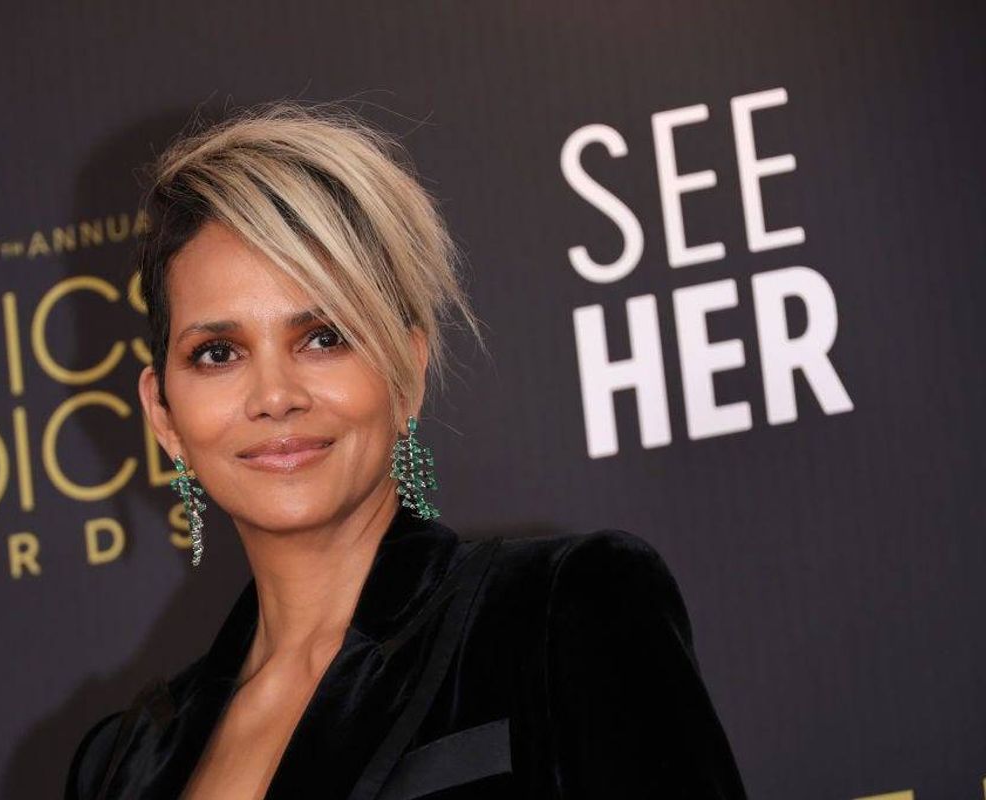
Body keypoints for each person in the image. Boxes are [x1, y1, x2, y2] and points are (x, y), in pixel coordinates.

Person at [64, 100, 747, 799]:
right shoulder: (119, 768)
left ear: (406, 370)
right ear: (164, 413)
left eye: (323, 337)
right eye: (217, 352)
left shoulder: (559, 614)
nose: (275, 394)